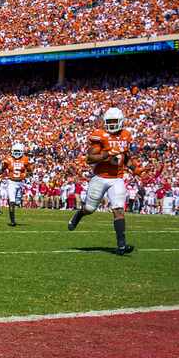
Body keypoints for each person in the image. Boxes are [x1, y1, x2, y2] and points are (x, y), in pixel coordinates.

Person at [67, 107, 138, 255]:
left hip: (117, 178)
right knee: (89, 209)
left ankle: (121, 245)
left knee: (118, 209)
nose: (111, 125)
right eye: (109, 122)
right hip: (100, 177)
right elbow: (90, 158)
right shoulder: (99, 135)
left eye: (114, 122)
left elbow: (126, 157)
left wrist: (134, 169)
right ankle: (79, 214)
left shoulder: (126, 135)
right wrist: (106, 154)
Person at [1, 142, 32, 227]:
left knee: (17, 202)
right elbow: (3, 169)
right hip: (11, 182)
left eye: (18, 151)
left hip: (21, 183)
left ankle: (13, 207)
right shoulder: (8, 159)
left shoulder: (25, 159)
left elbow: (30, 171)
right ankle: (12, 221)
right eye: (15, 151)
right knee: (12, 202)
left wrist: (26, 175)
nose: (17, 153)